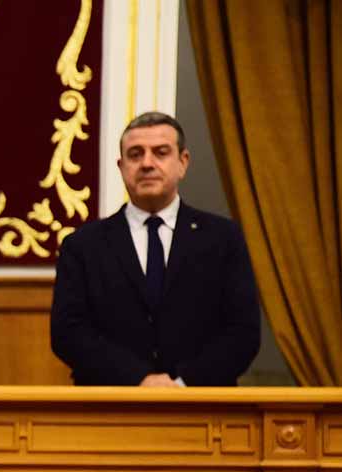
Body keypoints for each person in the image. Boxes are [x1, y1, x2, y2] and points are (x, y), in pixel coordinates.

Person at [50, 112, 260, 386]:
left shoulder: (223, 238)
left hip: (202, 403)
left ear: (183, 162)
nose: (147, 164)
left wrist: (182, 383)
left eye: (161, 153)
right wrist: (140, 379)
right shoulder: (82, 245)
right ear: (121, 166)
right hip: (111, 403)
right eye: (135, 154)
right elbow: (68, 334)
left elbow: (243, 333)